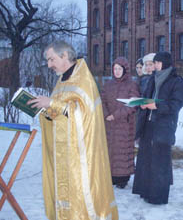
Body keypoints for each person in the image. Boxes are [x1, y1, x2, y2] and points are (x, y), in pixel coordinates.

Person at [28, 41, 118, 220]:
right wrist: (44, 110)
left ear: (64, 56)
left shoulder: (83, 79)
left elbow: (84, 114)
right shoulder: (62, 80)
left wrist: (51, 103)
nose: (49, 65)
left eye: (51, 59)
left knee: (81, 191)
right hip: (64, 152)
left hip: (81, 155)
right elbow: (61, 112)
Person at [132, 51, 183, 204]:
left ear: (165, 63)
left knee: (160, 161)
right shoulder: (152, 79)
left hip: (164, 126)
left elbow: (176, 104)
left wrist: (157, 105)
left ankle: (158, 197)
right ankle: (146, 191)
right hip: (148, 124)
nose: (153, 66)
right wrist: (141, 103)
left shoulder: (176, 81)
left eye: (156, 62)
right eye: (153, 63)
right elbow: (147, 98)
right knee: (146, 159)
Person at [101, 57, 140, 189]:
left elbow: (133, 104)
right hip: (109, 123)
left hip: (124, 123)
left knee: (122, 151)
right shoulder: (108, 84)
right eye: (115, 69)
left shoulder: (132, 85)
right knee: (110, 150)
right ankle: (111, 176)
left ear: (125, 70)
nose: (117, 71)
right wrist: (106, 114)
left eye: (119, 69)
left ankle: (122, 178)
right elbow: (102, 100)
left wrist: (116, 115)